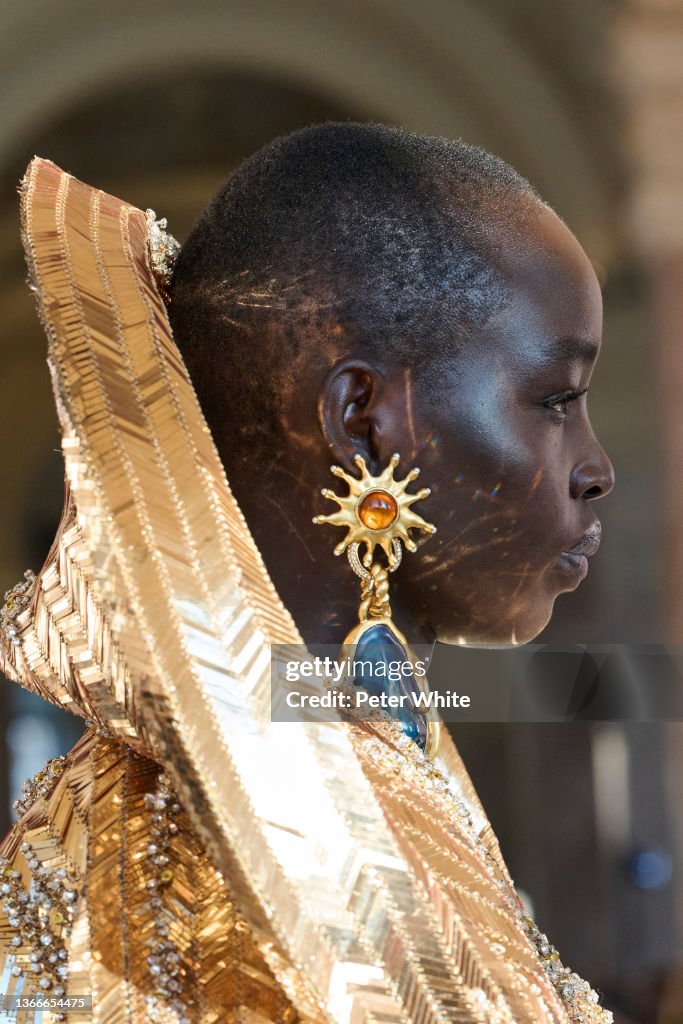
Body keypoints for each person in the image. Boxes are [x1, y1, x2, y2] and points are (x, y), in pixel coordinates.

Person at [0, 123, 614, 1024]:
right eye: (555, 399)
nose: (595, 468)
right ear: (363, 419)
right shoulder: (182, 868)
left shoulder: (364, 757)